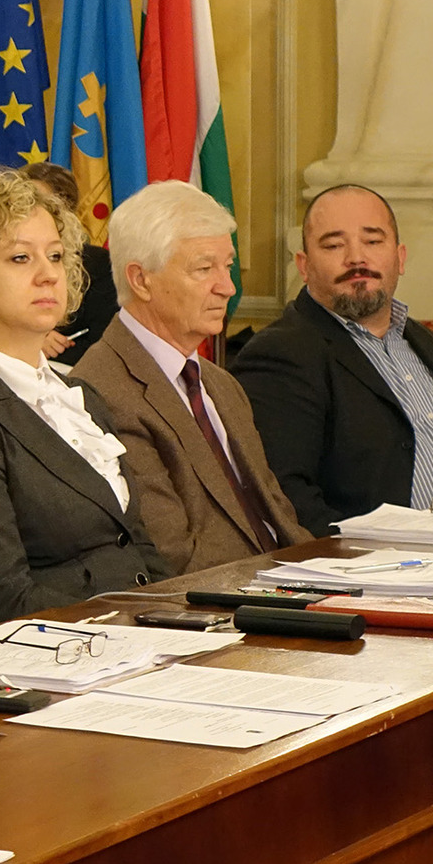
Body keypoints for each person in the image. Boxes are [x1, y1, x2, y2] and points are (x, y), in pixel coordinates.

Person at [0, 169, 167, 630]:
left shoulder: (82, 397)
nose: (48, 275)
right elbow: (4, 602)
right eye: (21, 258)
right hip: (62, 651)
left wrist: (184, 619)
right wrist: (133, 634)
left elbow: (140, 548)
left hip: (148, 635)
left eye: (56, 256)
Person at [71, 182, 311, 573]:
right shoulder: (100, 391)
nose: (227, 288)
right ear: (141, 280)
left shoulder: (221, 385)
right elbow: (173, 557)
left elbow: (278, 517)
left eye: (227, 266)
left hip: (287, 581)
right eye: (203, 269)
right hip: (222, 598)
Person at [231, 184, 433, 535]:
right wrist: (372, 554)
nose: (356, 258)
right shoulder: (281, 353)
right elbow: (283, 496)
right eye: (333, 245)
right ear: (304, 266)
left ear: (400, 258)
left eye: (372, 241)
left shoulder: (425, 343)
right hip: (398, 558)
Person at [21, 161, 117, 366]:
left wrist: (44, 349)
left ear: (66, 212)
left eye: (40, 204)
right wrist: (29, 341)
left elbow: (103, 345)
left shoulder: (98, 264)